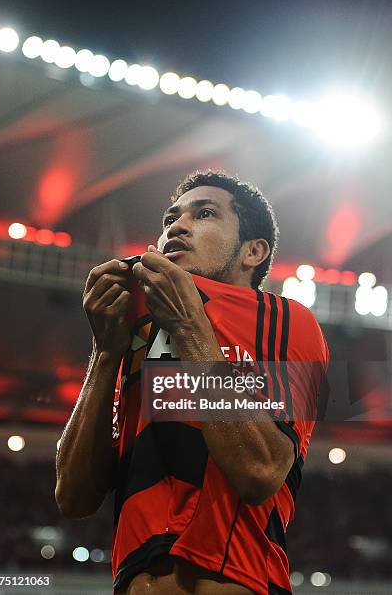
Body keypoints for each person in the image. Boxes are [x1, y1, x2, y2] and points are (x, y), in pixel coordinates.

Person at [55, 170, 329, 594]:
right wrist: (105, 352)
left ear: (253, 252)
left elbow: (260, 471)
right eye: (169, 220)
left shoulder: (286, 319)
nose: (177, 227)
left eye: (204, 214)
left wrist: (189, 328)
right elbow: (73, 498)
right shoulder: (137, 334)